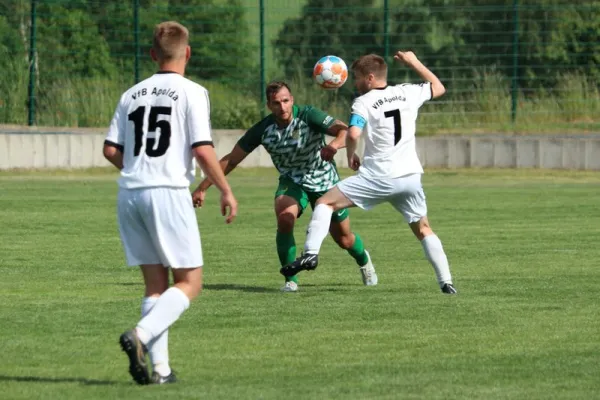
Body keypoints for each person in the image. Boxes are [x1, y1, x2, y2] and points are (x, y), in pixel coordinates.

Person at [103, 21, 238, 385]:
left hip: (130, 192)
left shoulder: (131, 93)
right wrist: (224, 188)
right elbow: (202, 148)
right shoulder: (193, 92)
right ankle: (140, 336)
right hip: (167, 191)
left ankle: (161, 371)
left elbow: (110, 149)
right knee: (190, 282)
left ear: (152, 54)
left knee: (155, 286)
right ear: (188, 53)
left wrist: (136, 168)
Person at [281, 51, 457, 294]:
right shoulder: (407, 92)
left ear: (371, 78)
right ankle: (446, 283)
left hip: (378, 176)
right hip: (410, 177)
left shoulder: (363, 102)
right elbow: (438, 87)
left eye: (357, 78)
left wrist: (351, 154)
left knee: (325, 203)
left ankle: (311, 254)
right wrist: (413, 61)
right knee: (423, 228)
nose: (355, 82)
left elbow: (353, 133)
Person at [191, 81, 377, 292]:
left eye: (286, 101)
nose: (283, 107)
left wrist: (333, 146)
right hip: (292, 180)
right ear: (269, 106)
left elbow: (344, 130)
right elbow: (231, 160)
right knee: (285, 217)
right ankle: (291, 280)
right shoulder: (262, 129)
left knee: (344, 239)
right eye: (276, 103)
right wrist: (203, 187)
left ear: (292, 100)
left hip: (324, 179)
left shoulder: (308, 115)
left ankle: (364, 261)